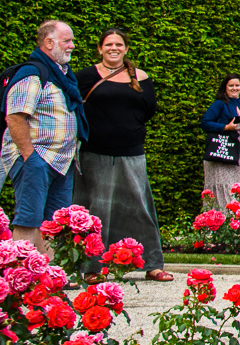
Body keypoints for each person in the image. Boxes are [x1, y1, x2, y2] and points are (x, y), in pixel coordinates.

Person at [75, 28, 172, 281]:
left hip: (131, 151)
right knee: (97, 210)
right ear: (100, 48)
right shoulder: (85, 76)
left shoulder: (141, 76)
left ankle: (152, 264)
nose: (113, 48)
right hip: (95, 150)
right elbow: (72, 106)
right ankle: (92, 269)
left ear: (126, 49)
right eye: (108, 45)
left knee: (140, 207)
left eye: (119, 44)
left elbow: (149, 108)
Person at [2, 20, 86, 253]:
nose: (72, 45)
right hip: (36, 158)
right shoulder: (32, 73)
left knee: (53, 223)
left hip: (62, 160)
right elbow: (15, 117)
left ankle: (47, 277)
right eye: (67, 41)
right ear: (49, 43)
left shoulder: (63, 75)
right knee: (29, 218)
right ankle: (21, 275)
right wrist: (30, 157)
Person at [200, 75, 240, 207]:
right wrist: (225, 127)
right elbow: (205, 123)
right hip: (224, 152)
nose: (234, 88)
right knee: (227, 185)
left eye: (237, 85)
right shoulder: (219, 104)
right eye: (231, 85)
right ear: (225, 88)